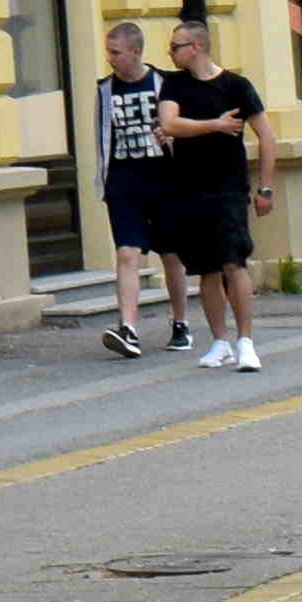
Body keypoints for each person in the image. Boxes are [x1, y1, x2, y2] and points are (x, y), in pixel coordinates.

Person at [157, 17, 270, 369]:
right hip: (189, 187)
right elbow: (170, 124)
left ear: (197, 47)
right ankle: (220, 341)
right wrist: (215, 125)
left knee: (233, 262)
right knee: (206, 269)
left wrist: (265, 187)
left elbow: (266, 136)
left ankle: (246, 342)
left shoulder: (236, 85)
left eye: (176, 46)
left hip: (229, 187)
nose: (171, 53)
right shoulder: (174, 85)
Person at [88, 21, 182, 357]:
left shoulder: (164, 84)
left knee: (170, 255)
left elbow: (183, 129)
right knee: (127, 253)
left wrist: (173, 142)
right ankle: (128, 329)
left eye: (116, 52)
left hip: (164, 179)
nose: (110, 59)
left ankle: (180, 322)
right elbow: (101, 137)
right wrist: (104, 180)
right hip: (124, 182)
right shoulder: (104, 91)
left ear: (136, 52)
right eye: (108, 52)